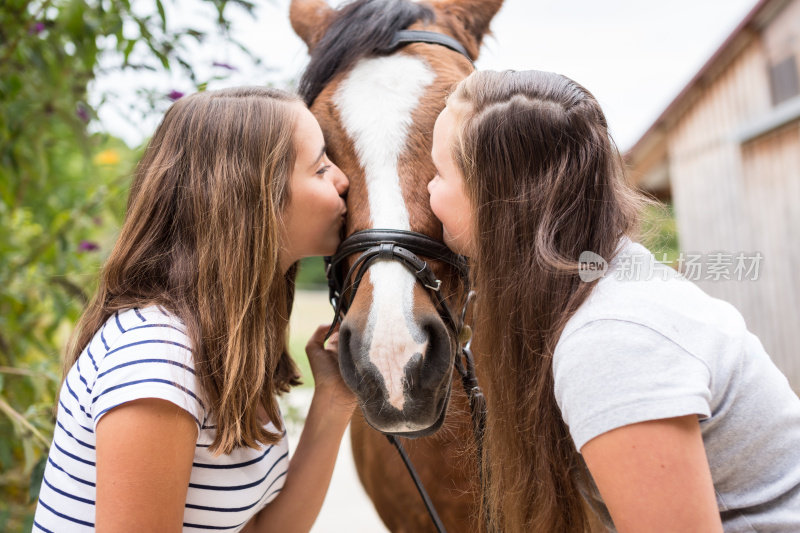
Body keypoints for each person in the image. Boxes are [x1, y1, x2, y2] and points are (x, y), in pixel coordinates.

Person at [427, 70, 800, 532]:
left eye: (439, 173)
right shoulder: (603, 280)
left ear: (497, 198)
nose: (428, 192)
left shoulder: (613, 341)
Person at [34, 86, 354, 532]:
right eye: (321, 167)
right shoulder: (158, 359)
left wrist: (335, 399)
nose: (343, 179)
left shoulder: (223, 343)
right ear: (252, 198)